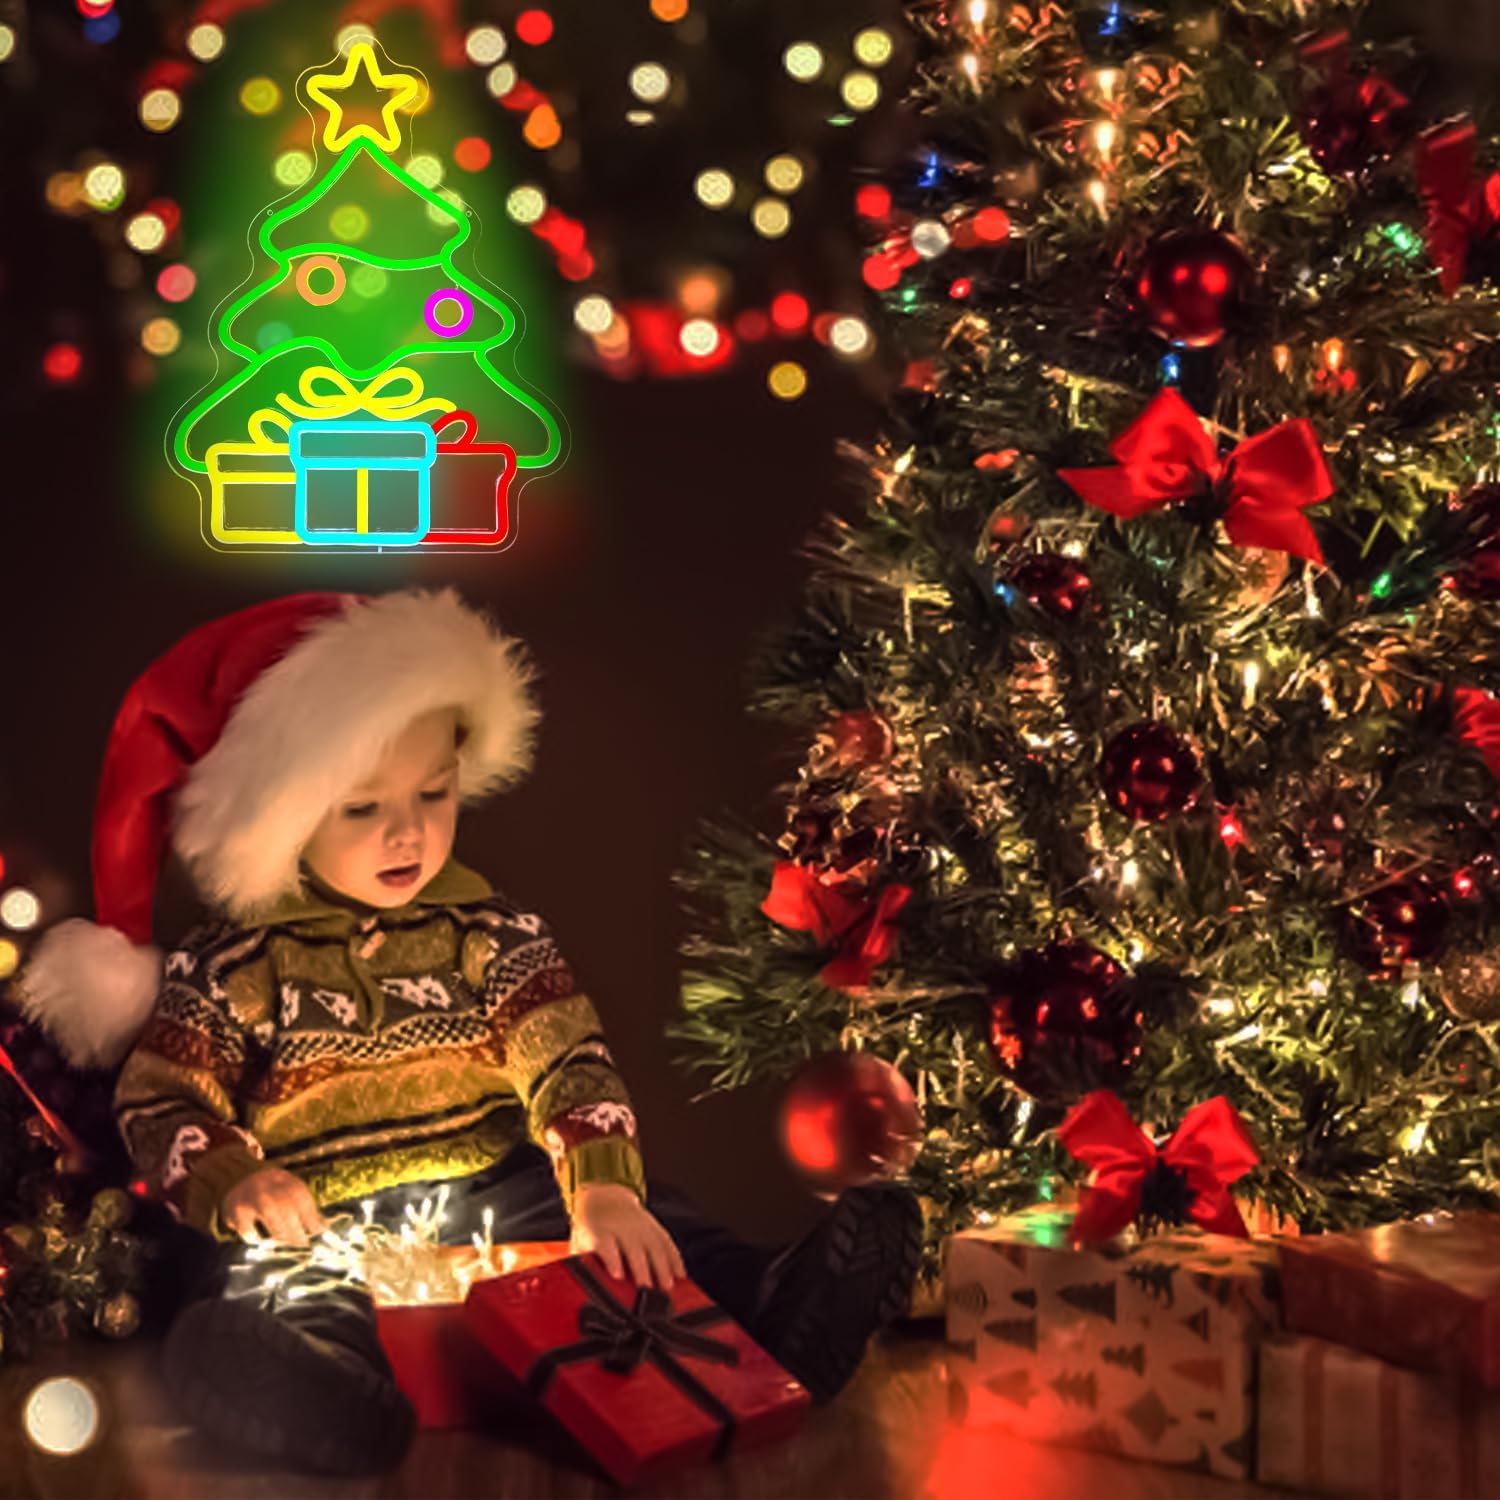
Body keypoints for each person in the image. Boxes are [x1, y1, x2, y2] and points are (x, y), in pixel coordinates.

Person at [16, 588, 921, 1476]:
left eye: (434, 794)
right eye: (363, 809)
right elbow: (164, 1092)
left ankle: (771, 1305)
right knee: (278, 1288)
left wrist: (602, 1186)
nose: (407, 832)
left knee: (649, 1230)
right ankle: (316, 1391)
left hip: (498, 1188)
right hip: (322, 1214)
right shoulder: (232, 966)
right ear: (282, 818)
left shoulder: (492, 933)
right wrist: (235, 1174)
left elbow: (568, 1058)